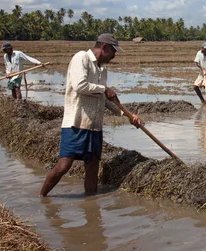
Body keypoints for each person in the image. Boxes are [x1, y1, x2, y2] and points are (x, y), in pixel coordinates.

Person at [40, 33, 141, 197]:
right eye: (113, 52)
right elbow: (80, 85)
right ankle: (42, 197)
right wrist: (104, 89)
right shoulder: (81, 58)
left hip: (94, 126)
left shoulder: (102, 69)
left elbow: (105, 99)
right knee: (64, 166)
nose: (114, 56)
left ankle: (91, 207)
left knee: (93, 168)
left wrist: (128, 115)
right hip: (76, 124)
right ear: (104, 48)